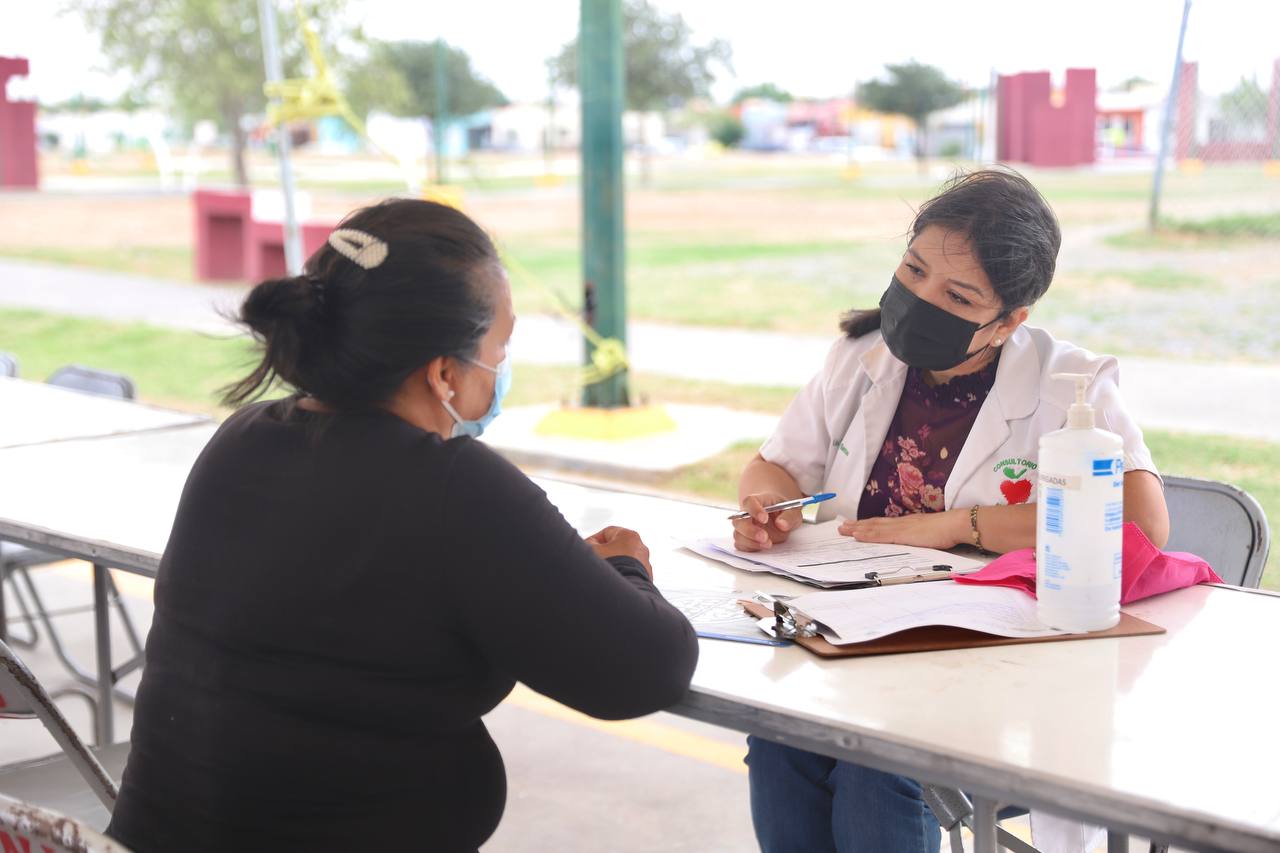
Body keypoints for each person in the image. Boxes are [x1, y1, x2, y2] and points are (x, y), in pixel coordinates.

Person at [106, 199, 698, 852]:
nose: (502, 366)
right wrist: (625, 568)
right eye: (500, 346)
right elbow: (646, 669)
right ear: (445, 373)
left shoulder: (245, 438)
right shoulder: (451, 485)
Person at [732, 169, 1169, 853]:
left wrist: (955, 526)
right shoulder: (859, 355)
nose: (920, 299)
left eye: (957, 296)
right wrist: (765, 501)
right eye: (913, 269)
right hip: (857, 643)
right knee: (783, 734)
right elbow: (776, 464)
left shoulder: (1068, 382)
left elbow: (1141, 523)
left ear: (1008, 321)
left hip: (994, 672)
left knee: (881, 761)